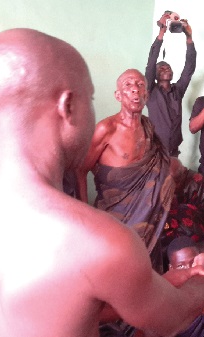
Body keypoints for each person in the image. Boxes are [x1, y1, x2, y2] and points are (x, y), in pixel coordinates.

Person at [0, 28, 204, 337]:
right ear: (68, 106)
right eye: (89, 98)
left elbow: (51, 310)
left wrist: (163, 283)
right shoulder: (98, 240)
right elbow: (174, 316)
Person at [76, 68, 173, 272]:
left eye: (140, 86)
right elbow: (79, 170)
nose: (135, 91)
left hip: (147, 221)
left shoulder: (149, 128)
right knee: (115, 272)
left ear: (146, 94)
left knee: (146, 273)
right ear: (118, 95)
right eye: (128, 85)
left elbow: (157, 174)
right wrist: (85, 214)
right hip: (114, 218)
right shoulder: (106, 129)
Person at [144, 13, 196, 157]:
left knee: (173, 180)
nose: (165, 68)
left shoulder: (177, 91)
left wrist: (189, 38)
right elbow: (150, 63)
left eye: (167, 67)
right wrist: (162, 32)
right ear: (154, 75)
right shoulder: (150, 91)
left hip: (174, 153)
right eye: (160, 68)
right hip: (155, 153)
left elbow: (189, 68)